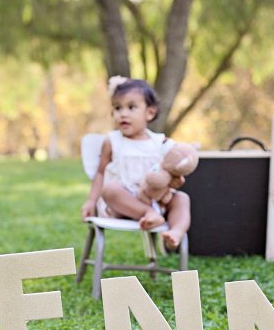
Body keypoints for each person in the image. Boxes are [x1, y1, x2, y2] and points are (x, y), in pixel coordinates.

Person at [80, 76, 192, 249]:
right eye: (118, 108)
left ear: (150, 112)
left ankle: (175, 232)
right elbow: (100, 173)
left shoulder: (159, 142)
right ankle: (147, 213)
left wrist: (175, 177)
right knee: (110, 190)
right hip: (122, 205)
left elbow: (173, 166)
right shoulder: (112, 141)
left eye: (131, 107)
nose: (123, 113)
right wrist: (90, 201)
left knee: (182, 199)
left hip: (155, 199)